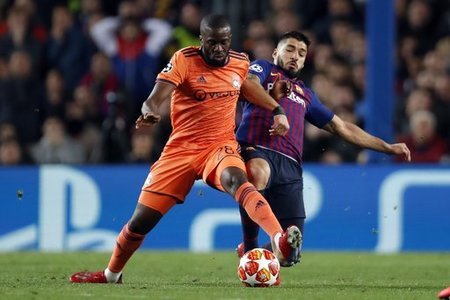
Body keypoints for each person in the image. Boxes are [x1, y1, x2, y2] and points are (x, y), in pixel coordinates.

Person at [70, 14, 301, 284]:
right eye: (212, 42)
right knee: (140, 222)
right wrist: (150, 111)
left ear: (230, 41)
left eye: (223, 42)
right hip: (180, 151)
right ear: (201, 40)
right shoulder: (184, 59)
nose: (218, 48)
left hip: (219, 145)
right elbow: (156, 97)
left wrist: (275, 107)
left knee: (237, 179)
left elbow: (247, 88)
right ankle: (111, 274)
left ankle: (279, 239)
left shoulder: (240, 62)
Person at [235, 31, 411, 263]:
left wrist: (387, 147)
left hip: (290, 167)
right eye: (289, 49)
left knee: (290, 253)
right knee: (258, 172)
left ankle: (255, 254)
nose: (295, 56)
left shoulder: (306, 95)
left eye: (301, 53)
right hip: (255, 147)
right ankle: (250, 248)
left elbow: (343, 127)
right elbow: (248, 84)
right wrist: (276, 109)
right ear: (276, 52)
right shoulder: (264, 69)